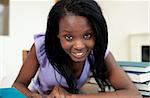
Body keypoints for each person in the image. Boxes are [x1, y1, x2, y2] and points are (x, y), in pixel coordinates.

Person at [12, 0, 142, 98]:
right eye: (68, 37)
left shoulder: (98, 51)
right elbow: (18, 86)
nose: (79, 45)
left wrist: (72, 97)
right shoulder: (41, 47)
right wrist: (35, 96)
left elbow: (133, 94)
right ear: (57, 34)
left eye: (87, 35)